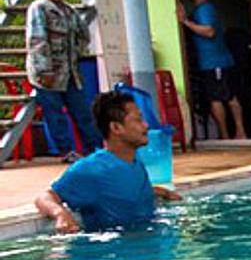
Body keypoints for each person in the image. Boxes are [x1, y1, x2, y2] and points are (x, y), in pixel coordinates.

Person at [34, 90, 181, 235]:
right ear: (116, 127)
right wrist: (60, 214)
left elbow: (125, 189)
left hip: (145, 242)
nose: (146, 125)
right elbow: (44, 197)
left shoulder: (134, 161)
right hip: (118, 253)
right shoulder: (92, 169)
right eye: (138, 119)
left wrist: (163, 192)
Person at [24, 0, 104, 163]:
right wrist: (45, 70)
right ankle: (66, 151)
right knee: (55, 114)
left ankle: (94, 148)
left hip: (70, 72)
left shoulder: (69, 11)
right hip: (47, 73)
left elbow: (83, 35)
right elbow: (37, 40)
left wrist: (75, 52)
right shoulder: (39, 8)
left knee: (82, 112)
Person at [177, 0, 247, 141]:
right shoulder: (205, 9)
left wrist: (185, 22)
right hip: (218, 61)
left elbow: (209, 31)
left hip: (214, 62)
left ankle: (229, 135)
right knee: (227, 96)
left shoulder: (204, 9)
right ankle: (237, 132)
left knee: (219, 97)